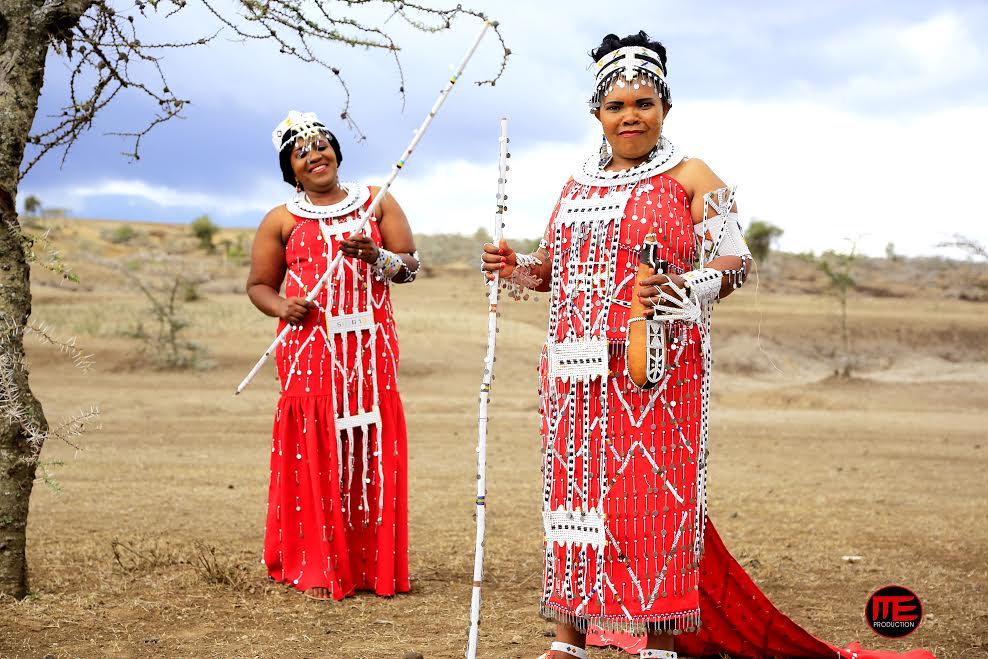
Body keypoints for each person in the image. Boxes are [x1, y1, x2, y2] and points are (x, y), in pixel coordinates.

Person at [482, 33, 936, 659]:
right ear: (597, 115)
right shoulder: (575, 186)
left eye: (644, 102)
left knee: (655, 501)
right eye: (617, 106)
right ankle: (570, 639)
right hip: (575, 375)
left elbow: (736, 260)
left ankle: (660, 642)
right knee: (574, 502)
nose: (631, 116)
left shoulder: (693, 176)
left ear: (665, 107)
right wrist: (516, 265)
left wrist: (681, 283)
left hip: (659, 367)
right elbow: (556, 269)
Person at [247, 110, 418, 601]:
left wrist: (377, 257)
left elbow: (410, 265)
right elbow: (259, 285)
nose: (314, 155)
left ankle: (370, 567)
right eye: (301, 153)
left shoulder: (376, 203)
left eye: (321, 145)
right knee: (317, 451)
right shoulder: (281, 219)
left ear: (336, 152)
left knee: (367, 452)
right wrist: (283, 306)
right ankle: (318, 564)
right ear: (291, 169)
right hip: (309, 352)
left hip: (369, 349)